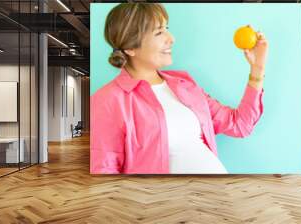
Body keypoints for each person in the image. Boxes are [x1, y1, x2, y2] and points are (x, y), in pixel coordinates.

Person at [90, 3, 268, 174]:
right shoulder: (108, 99)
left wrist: (257, 68)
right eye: (159, 32)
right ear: (130, 47)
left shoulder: (184, 85)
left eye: (166, 28)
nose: (171, 38)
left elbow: (240, 125)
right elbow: (104, 170)